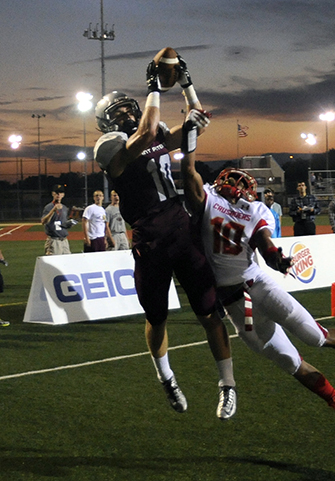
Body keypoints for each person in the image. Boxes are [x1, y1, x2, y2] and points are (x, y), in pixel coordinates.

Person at [179, 126, 335, 442]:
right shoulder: (207, 201)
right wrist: (188, 139)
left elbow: (265, 243)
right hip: (236, 306)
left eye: (241, 184)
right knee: (290, 362)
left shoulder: (255, 209)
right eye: (233, 182)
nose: (237, 188)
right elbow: (188, 173)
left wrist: (277, 258)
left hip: (258, 284)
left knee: (314, 336)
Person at [92, 56, 236, 420]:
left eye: (129, 108)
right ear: (106, 123)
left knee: (208, 311)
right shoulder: (109, 147)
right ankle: (166, 376)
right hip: (149, 238)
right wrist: (155, 87)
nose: (125, 114)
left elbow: (197, 122)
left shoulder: (154, 131)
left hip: (181, 228)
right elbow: (141, 137)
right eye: (118, 111)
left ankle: (227, 385)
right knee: (156, 317)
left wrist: (188, 84)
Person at [40, 184, 78, 255]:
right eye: (56, 192)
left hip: (64, 240)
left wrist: (70, 224)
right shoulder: (49, 207)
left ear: (63, 194)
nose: (58, 194)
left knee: (67, 263)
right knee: (54, 264)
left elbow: (63, 224)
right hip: (54, 241)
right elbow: (43, 221)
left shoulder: (64, 208)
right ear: (53, 194)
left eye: (60, 192)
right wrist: (53, 210)